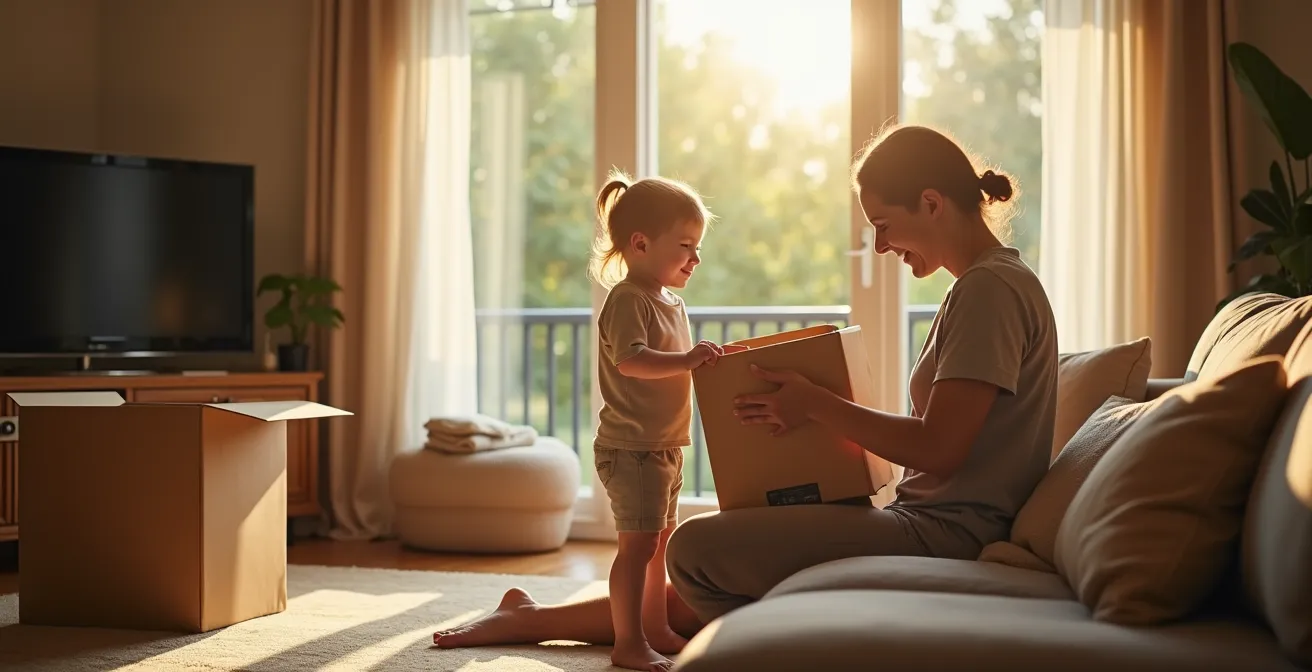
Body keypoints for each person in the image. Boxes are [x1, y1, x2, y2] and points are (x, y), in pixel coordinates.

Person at [431, 123, 1058, 661]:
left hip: (941, 535)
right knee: (734, 542)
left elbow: (941, 448)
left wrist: (816, 404)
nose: (881, 245)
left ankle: (555, 622)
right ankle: (530, 620)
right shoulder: (984, 286)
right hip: (922, 517)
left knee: (697, 549)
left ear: (931, 203)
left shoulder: (988, 292)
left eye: (883, 225)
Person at [438, 171, 737, 672]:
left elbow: (671, 366)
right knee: (636, 546)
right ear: (640, 244)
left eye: (698, 246)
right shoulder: (629, 299)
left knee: (660, 541)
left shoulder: (672, 301)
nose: (696, 257)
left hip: (664, 444)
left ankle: (656, 626)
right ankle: (628, 642)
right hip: (632, 447)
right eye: (685, 245)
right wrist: (687, 360)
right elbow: (632, 361)